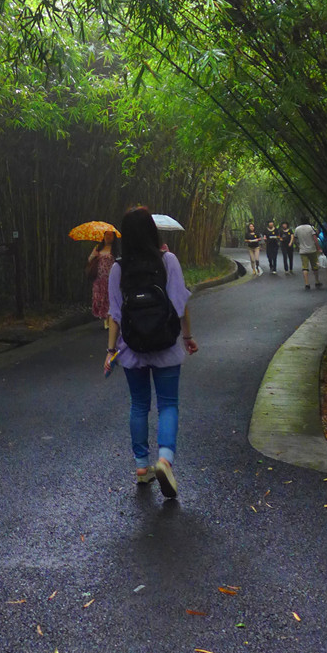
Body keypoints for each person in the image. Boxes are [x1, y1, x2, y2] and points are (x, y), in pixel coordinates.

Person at [105, 206, 196, 499]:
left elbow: (115, 315)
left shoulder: (118, 268)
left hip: (132, 349)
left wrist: (110, 351)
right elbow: (180, 304)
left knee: (139, 405)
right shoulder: (167, 261)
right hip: (166, 346)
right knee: (168, 404)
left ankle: (142, 467)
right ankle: (165, 460)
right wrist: (188, 336)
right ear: (152, 232)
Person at [87, 228, 118, 328]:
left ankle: (109, 320)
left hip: (111, 278)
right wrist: (94, 255)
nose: (108, 237)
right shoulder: (98, 248)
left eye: (110, 235)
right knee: (101, 299)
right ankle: (105, 319)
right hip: (99, 278)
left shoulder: (115, 250)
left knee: (110, 299)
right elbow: (89, 259)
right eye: (106, 235)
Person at [293, 220, 323, 290]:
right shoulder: (311, 228)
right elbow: (315, 239)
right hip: (312, 250)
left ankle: (307, 284)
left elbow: (294, 239)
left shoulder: (297, 229)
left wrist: (297, 246)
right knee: (315, 267)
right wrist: (318, 248)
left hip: (303, 250)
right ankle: (317, 281)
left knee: (305, 267)